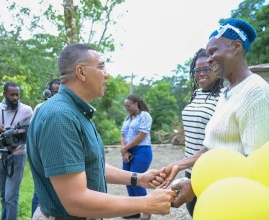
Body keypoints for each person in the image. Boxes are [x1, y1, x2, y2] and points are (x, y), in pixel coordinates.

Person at [27, 43, 177, 220]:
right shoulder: (60, 116)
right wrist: (146, 203)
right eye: (101, 67)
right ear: (81, 72)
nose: (107, 74)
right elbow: (76, 201)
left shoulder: (76, 112)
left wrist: (138, 178)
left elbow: (88, 165)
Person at [158, 18, 269, 209]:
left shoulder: (255, 91)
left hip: (231, 200)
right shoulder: (228, 92)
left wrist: (196, 185)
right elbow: (211, 148)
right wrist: (179, 165)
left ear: (236, 47)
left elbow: (255, 165)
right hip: (213, 190)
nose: (209, 58)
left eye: (213, 51)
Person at [180, 48, 223, 216]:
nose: (201, 73)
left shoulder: (224, 96)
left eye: (206, 68)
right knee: (193, 210)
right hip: (190, 166)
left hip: (210, 167)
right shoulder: (196, 94)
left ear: (215, 68)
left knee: (209, 212)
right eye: (197, 70)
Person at [0, 82, 33, 220]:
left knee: (11, 196)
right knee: (3, 195)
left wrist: (17, 137)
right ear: (4, 94)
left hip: (17, 155)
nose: (15, 98)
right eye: (11, 95)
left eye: (17, 95)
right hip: (1, 155)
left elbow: (30, 133)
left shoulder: (26, 110)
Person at [30, 78, 61, 217]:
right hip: (44, 155)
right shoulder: (40, 108)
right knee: (41, 190)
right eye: (54, 92)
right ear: (48, 92)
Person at [120, 94, 153, 220]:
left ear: (136, 104)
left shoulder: (144, 116)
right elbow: (122, 134)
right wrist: (125, 151)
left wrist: (125, 148)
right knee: (127, 180)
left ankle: (147, 209)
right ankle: (135, 210)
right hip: (128, 150)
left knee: (137, 180)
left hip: (142, 151)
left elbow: (141, 135)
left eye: (128, 106)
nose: (127, 108)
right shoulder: (127, 118)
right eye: (125, 107)